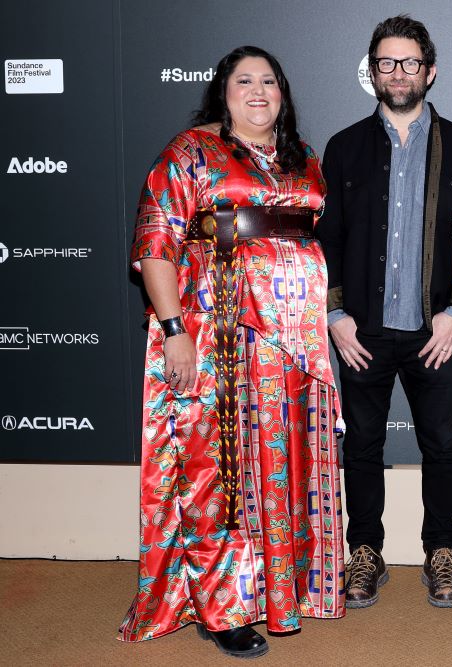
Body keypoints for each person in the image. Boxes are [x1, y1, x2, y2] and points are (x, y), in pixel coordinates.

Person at [120, 46, 345, 658]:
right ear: (222, 92)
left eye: (269, 81)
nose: (258, 91)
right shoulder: (190, 152)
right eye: (244, 81)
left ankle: (280, 593)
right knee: (215, 469)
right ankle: (220, 609)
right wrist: (174, 330)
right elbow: (153, 245)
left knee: (280, 469)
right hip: (217, 335)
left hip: (291, 349)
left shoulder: (306, 159)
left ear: (284, 92)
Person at [316, 15, 452, 609]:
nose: (398, 73)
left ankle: (442, 550)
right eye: (386, 62)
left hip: (435, 330)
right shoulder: (342, 148)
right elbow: (327, 240)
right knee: (361, 444)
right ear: (373, 71)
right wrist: (335, 317)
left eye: (410, 62)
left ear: (429, 71)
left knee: (441, 442)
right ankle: (365, 551)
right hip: (362, 331)